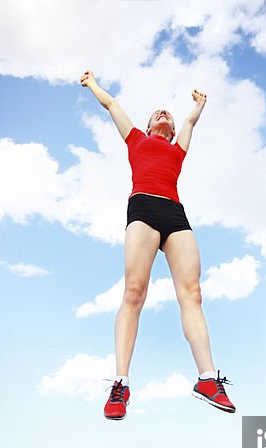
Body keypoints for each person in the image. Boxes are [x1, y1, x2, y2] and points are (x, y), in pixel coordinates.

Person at [80, 69, 235, 420]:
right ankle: (121, 384)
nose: (163, 113)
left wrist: (197, 108)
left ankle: (208, 380)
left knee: (192, 293)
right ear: (148, 127)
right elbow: (111, 105)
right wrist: (92, 84)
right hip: (144, 208)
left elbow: (191, 124)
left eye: (169, 113)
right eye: (156, 113)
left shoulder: (178, 149)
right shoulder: (136, 139)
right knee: (134, 291)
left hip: (175, 214)